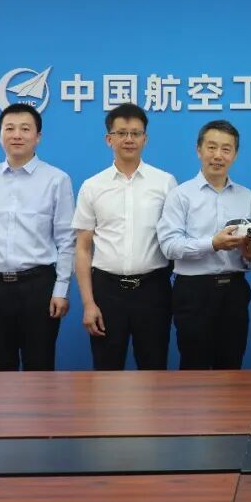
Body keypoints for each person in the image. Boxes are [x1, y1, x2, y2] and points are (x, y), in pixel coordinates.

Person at [0, 103, 75, 371]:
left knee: (40, 366)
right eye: (9, 128)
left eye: (25, 129)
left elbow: (67, 239)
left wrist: (61, 289)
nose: (17, 135)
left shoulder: (57, 180)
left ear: (38, 136)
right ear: (0, 135)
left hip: (38, 286)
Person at [72, 103, 177, 370]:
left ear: (145, 139)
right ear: (109, 139)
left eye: (135, 133)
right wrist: (88, 303)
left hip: (153, 290)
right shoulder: (92, 186)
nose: (129, 139)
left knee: (154, 370)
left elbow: (174, 238)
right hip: (107, 292)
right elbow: (82, 249)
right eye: (121, 133)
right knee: (106, 372)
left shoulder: (165, 182)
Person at [157, 120, 251, 370]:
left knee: (232, 366)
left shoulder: (246, 196)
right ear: (198, 150)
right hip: (193, 292)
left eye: (226, 149)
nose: (218, 155)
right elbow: (170, 246)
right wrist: (213, 244)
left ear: (235, 154)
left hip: (234, 291)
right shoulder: (180, 195)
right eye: (211, 147)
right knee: (195, 369)